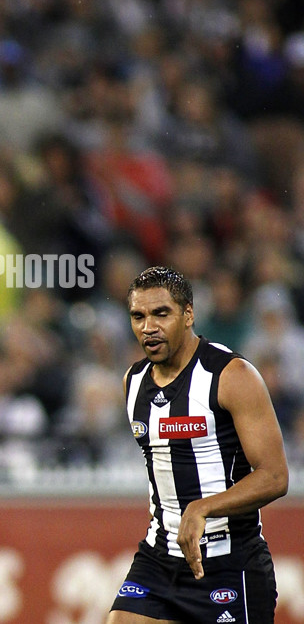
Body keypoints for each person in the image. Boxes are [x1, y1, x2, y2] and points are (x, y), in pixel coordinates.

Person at [107, 266, 288, 624]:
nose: (148, 327)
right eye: (138, 316)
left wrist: (202, 509)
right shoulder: (133, 381)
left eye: (161, 314)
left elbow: (274, 477)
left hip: (229, 562)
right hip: (159, 558)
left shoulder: (232, 376)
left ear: (188, 314)